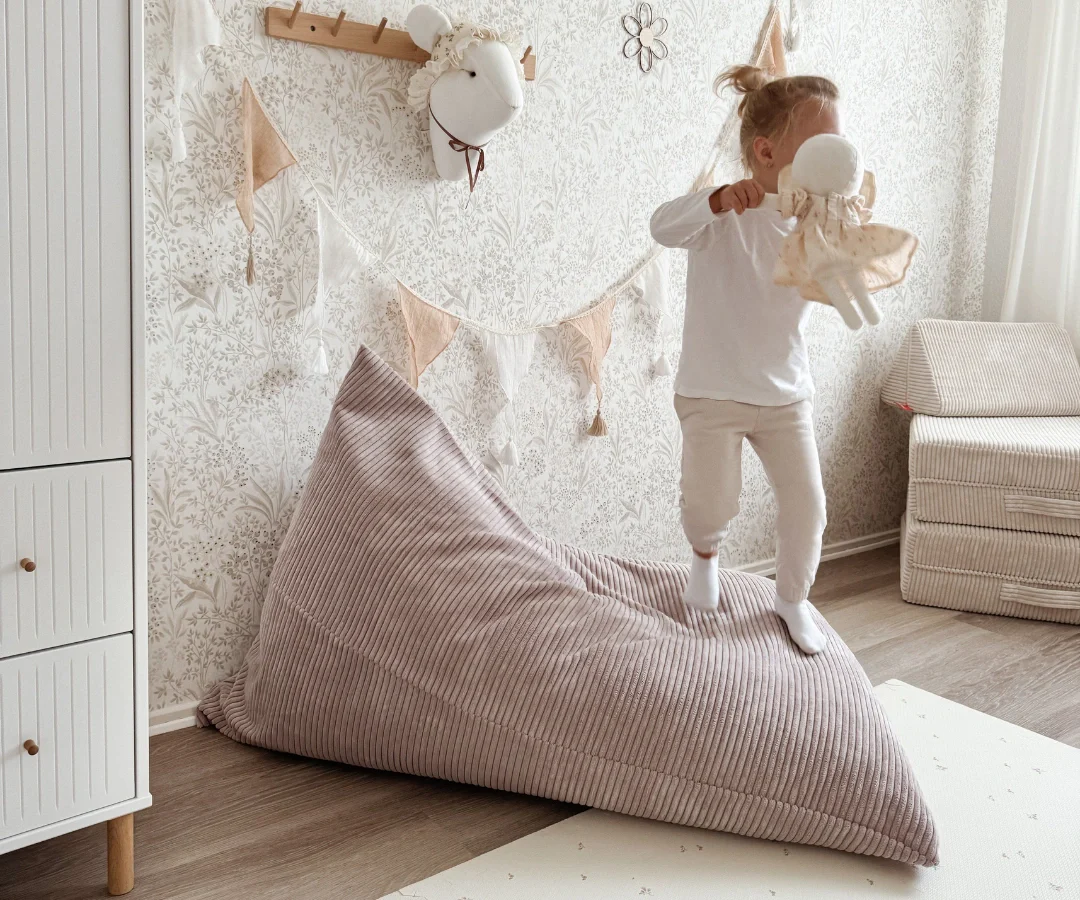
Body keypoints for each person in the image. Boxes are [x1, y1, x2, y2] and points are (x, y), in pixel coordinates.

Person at [650, 65, 842, 655]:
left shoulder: (818, 222)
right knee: (711, 502)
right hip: (714, 389)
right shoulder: (722, 218)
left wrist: (834, 229)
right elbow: (661, 226)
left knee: (808, 507)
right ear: (766, 152)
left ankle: (792, 599)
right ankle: (704, 558)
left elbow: (841, 283)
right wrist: (714, 201)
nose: (837, 157)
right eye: (822, 146)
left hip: (786, 394)